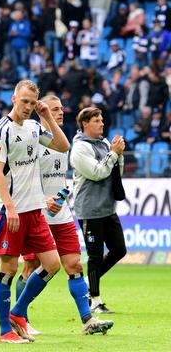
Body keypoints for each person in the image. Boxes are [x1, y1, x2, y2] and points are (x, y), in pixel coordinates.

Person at [16, 96, 115, 335]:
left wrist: (62, 196)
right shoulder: (34, 140)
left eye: (61, 109)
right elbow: (24, 178)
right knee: (31, 265)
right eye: (55, 109)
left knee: (74, 264)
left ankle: (87, 320)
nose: (61, 112)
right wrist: (43, 201)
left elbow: (59, 176)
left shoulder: (61, 140)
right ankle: (21, 317)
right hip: (36, 212)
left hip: (61, 214)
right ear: (42, 111)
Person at [0, 80, 70, 344]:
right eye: (24, 102)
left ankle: (18, 312)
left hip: (34, 211)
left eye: (33, 103)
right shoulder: (1, 130)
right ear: (13, 99)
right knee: (8, 269)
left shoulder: (35, 127)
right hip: (10, 212)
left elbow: (62, 146)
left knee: (52, 264)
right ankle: (5, 332)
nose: (28, 107)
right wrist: (9, 207)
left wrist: (47, 117)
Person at [70, 107, 126, 314]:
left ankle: (87, 281)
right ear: (85, 124)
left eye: (101, 119)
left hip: (107, 207)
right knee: (94, 256)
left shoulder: (102, 144)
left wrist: (118, 156)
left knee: (119, 249)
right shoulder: (80, 148)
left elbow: (114, 172)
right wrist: (113, 153)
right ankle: (95, 301)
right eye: (96, 120)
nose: (102, 123)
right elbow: (97, 173)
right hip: (90, 209)